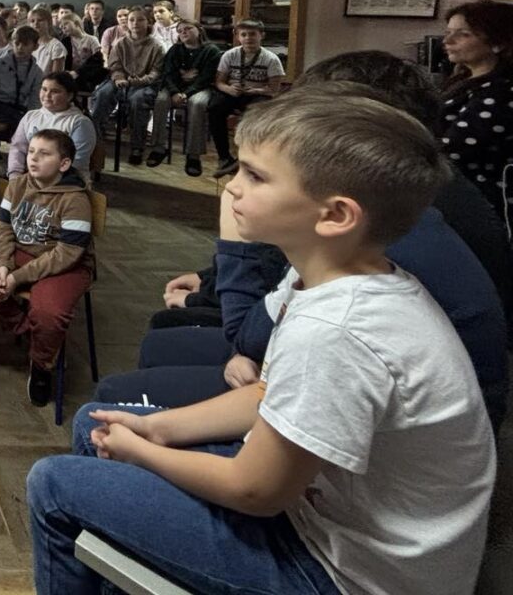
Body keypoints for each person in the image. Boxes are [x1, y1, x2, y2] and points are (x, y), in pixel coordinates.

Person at [28, 91, 497, 595]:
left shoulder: (338, 330)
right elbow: (267, 393)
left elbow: (255, 490)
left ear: (335, 215)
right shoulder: (330, 276)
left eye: (254, 176)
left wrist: (144, 453)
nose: (231, 186)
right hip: (321, 517)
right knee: (95, 424)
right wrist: (155, 428)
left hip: (338, 570)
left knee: (53, 485)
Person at [0, 128, 94, 405]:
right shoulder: (19, 184)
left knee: (49, 312)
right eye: (31, 151)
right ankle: (31, 332)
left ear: (64, 164)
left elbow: (68, 253)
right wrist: (3, 265)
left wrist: (17, 277)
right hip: (22, 251)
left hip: (65, 263)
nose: (33, 158)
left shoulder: (76, 198)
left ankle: (42, 364)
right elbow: (2, 227)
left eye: (44, 154)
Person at [439, 0, 513, 226]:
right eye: (448, 32)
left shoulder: (499, 92)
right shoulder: (463, 80)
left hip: (481, 203)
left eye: (463, 34)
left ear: (498, 43)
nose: (448, 41)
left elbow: (453, 150)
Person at [208, 18, 285, 177]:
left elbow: (274, 89)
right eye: (244, 34)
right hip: (233, 92)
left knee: (252, 115)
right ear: (238, 37)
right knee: (215, 108)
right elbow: (219, 82)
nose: (248, 38)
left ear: (261, 35)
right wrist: (229, 89)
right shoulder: (229, 55)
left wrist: (255, 90)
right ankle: (224, 157)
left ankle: (244, 157)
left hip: (258, 94)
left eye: (252, 34)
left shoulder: (271, 59)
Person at [89, 6, 163, 164]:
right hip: (120, 80)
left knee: (137, 100)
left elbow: (156, 71)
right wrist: (119, 78)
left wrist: (141, 80)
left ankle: (137, 146)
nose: (135, 23)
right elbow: (114, 65)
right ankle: (94, 137)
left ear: (148, 22)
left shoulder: (156, 46)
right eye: (131, 20)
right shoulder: (120, 43)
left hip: (144, 84)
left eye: (140, 20)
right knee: (102, 94)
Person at [146, 19, 220, 175]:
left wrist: (186, 94)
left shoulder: (211, 51)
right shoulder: (175, 49)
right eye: (179, 31)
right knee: (161, 100)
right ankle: (159, 147)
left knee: (197, 104)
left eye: (188, 28)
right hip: (175, 88)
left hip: (200, 88)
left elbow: (206, 77)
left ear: (199, 30)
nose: (183, 32)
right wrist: (174, 92)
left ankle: (193, 155)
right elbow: (168, 73)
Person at [8, 72, 98, 180]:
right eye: (44, 89)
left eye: (55, 91)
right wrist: (15, 175)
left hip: (67, 180)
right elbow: (18, 148)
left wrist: (45, 181)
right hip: (32, 178)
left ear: (69, 96)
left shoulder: (79, 122)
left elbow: (77, 160)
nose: (47, 95)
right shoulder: (30, 116)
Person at [0, 24, 43, 128]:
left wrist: (32, 116)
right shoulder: (0, 62)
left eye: (25, 44)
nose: (20, 47)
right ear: (11, 43)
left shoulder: (37, 72)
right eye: (17, 43)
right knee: (20, 122)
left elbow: (35, 99)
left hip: (17, 107)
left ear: (35, 46)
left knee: (30, 122)